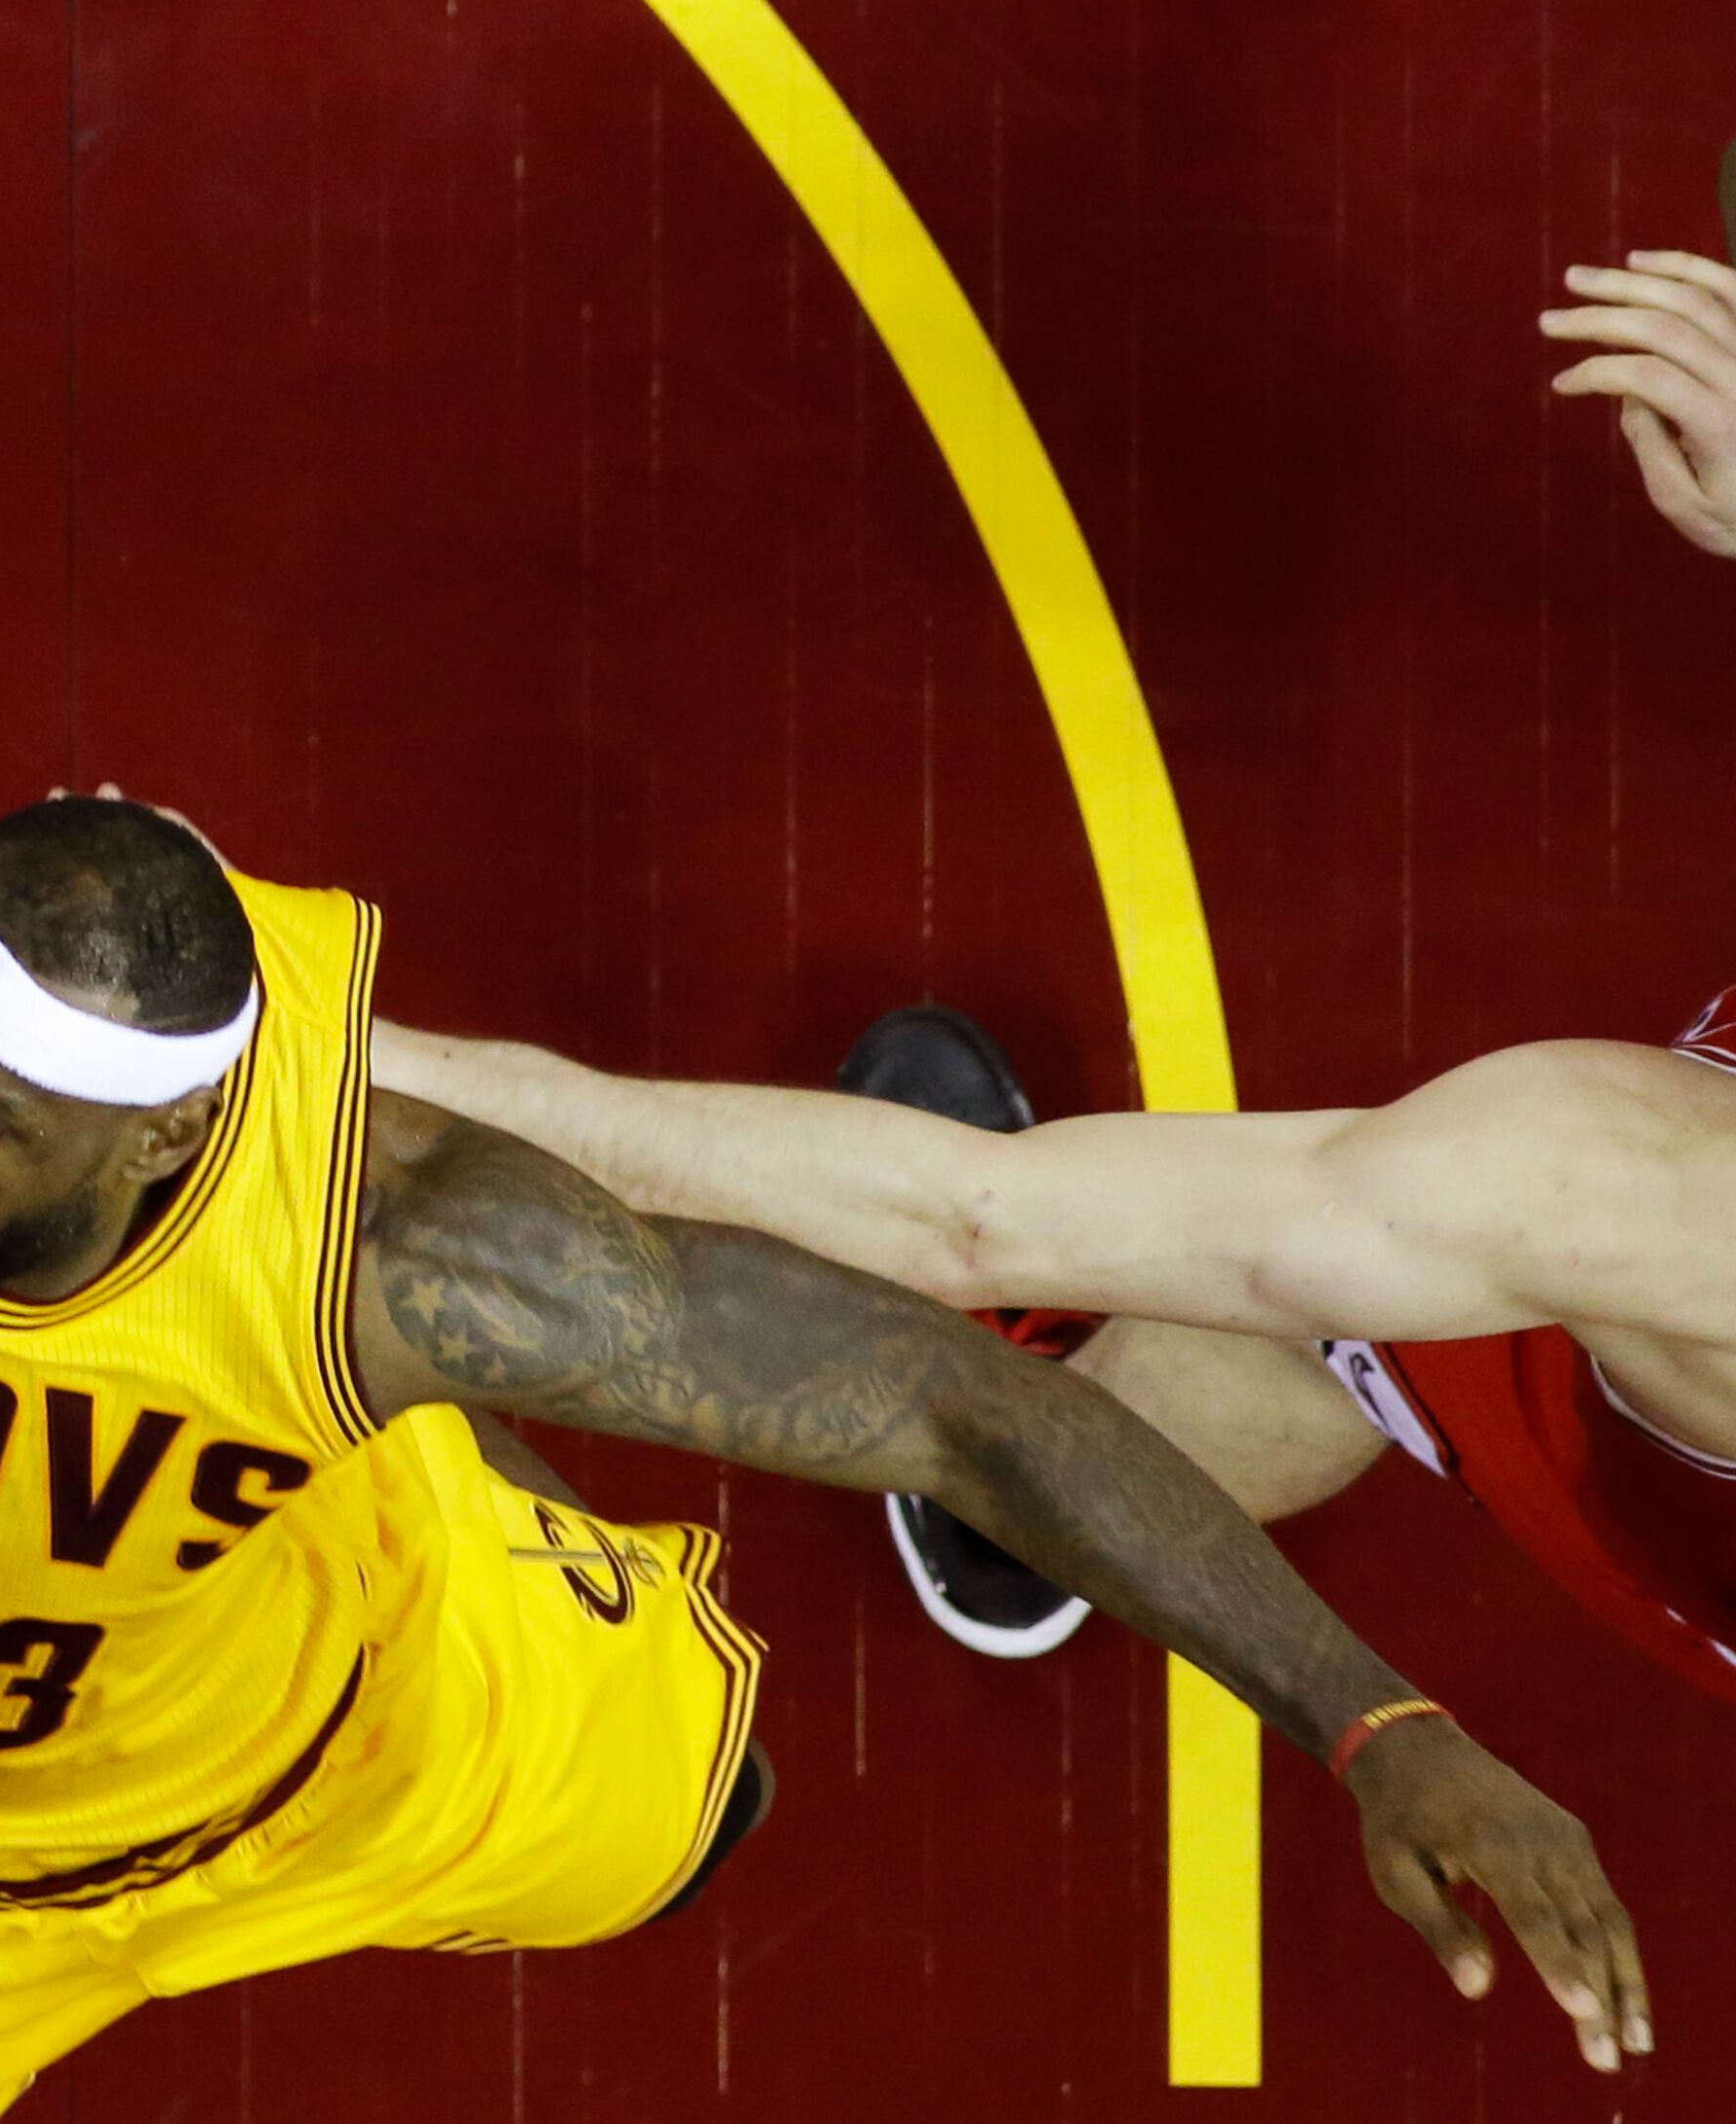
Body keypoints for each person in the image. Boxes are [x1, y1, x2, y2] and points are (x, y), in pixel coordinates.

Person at [0, 796, 1647, 2118]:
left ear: (153, 1163)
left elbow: (952, 1391)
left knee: (723, 1813)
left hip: (348, 1746)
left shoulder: (398, 1254)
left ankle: (439, 1524)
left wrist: (1378, 1717)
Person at [370, 241, 1736, 1709]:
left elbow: (970, 1219)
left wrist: (328, 1043)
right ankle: (1066, 1504)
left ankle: (1013, 1480)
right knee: (1371, 1300)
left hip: (1654, 1311)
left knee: (1317, 1273)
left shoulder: (1608, 1180)